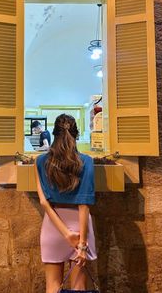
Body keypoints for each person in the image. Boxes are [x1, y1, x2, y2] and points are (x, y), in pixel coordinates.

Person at [35, 114, 97, 293]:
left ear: (54, 134)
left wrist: (65, 234)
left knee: (53, 287)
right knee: (78, 288)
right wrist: (82, 243)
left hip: (53, 226)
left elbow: (43, 202)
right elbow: (84, 205)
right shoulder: (86, 161)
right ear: (76, 134)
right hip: (80, 228)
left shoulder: (40, 161)